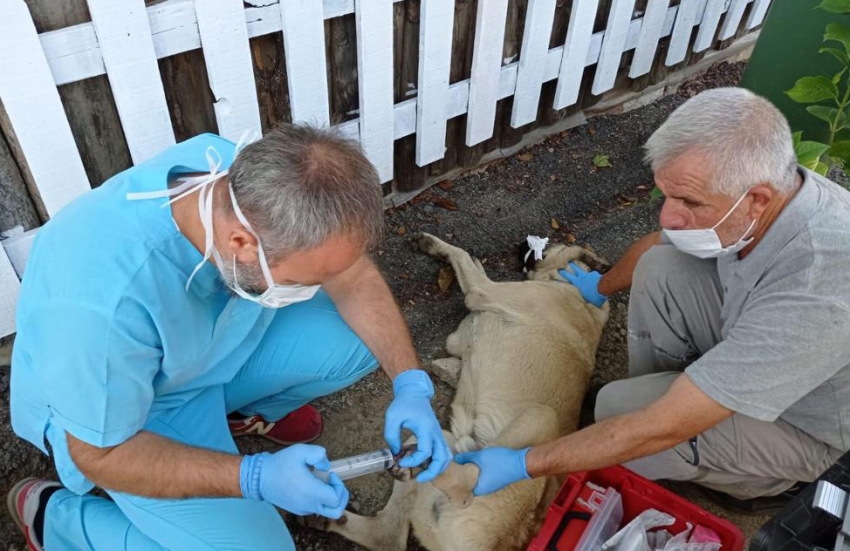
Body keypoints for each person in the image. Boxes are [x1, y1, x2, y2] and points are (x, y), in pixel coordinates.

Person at [7, 125, 451, 551]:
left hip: (200, 356)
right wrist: (252, 477)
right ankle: (57, 519)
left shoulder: (240, 179)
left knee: (356, 341)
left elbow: (351, 275)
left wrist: (411, 383)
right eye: (301, 279)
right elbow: (99, 454)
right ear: (241, 243)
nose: (313, 288)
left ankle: (235, 414)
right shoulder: (101, 305)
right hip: (124, 418)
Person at [455, 87, 850, 514]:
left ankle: (764, 485)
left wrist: (526, 463)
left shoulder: (817, 288)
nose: (668, 215)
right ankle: (665, 404)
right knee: (662, 266)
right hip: (765, 337)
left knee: (617, 409)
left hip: (805, 423)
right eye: (667, 194)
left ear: (757, 199)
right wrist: (599, 287)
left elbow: (663, 428)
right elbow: (657, 243)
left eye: (689, 202)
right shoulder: (775, 192)